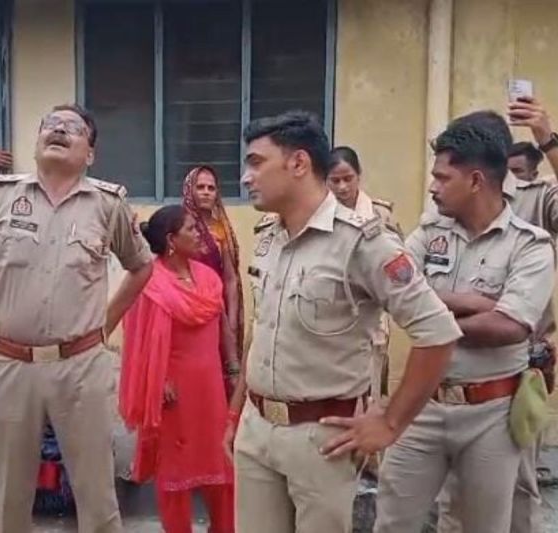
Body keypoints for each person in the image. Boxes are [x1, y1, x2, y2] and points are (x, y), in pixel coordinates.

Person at [223, 110, 461, 533]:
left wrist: (390, 421)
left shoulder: (363, 242)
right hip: (256, 429)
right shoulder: (268, 236)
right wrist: (236, 414)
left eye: (256, 163)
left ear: (298, 163)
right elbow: (261, 330)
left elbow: (437, 333)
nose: (245, 177)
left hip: (323, 437)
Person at [0, 103, 154, 533]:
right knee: (8, 503)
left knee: (97, 500)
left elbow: (142, 266)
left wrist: (104, 325)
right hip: (9, 366)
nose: (59, 130)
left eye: (73, 128)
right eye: (51, 124)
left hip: (81, 368)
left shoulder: (107, 205)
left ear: (90, 154)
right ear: (37, 141)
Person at [375, 111, 555, 533]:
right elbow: (396, 295)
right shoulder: (428, 233)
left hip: (492, 412)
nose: (432, 187)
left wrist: (431, 309)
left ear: (475, 180)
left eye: (442, 178)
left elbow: (510, 327)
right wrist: (474, 303)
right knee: (393, 522)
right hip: (421, 404)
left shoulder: (530, 245)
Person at [435, 110, 558, 533]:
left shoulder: (534, 198)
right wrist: (472, 304)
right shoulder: (447, 204)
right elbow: (414, 291)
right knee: (455, 499)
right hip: (451, 376)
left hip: (515, 372)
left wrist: (548, 139)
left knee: (518, 493)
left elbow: (511, 322)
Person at [120, 205, 236, 533]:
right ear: (172, 240)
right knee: (176, 471)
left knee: (221, 462)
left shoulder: (209, 279)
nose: (201, 234)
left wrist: (233, 369)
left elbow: (222, 328)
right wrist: (159, 381)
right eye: (192, 229)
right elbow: (137, 339)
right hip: (174, 392)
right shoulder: (149, 283)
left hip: (210, 388)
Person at [327, 146, 402, 403]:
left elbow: (396, 264)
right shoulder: (317, 216)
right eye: (335, 180)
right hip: (331, 312)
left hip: (371, 310)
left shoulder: (379, 214)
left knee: (371, 385)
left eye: (348, 179)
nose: (342, 187)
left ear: (359, 176)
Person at [182, 166, 244, 396]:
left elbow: (230, 278)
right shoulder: (179, 227)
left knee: (223, 372)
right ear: (189, 190)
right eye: (200, 187)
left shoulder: (221, 229)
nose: (206, 192)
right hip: (187, 310)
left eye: (211, 188)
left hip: (218, 310)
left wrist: (232, 319)